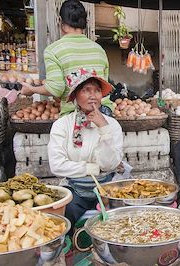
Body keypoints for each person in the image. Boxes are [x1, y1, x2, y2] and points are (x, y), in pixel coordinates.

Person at [48, 68, 123, 233]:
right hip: (75, 190)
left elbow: (110, 164)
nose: (93, 95)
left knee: (116, 221)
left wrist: (103, 128)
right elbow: (57, 165)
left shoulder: (112, 125)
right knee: (63, 217)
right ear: (75, 95)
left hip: (107, 189)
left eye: (97, 90)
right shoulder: (62, 125)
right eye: (86, 90)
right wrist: (89, 169)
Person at [21, 0, 111, 116]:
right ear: (85, 23)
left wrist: (32, 89)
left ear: (61, 23)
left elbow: (56, 88)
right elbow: (104, 86)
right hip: (103, 114)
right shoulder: (99, 50)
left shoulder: (53, 50)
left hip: (76, 117)